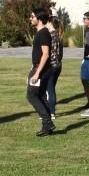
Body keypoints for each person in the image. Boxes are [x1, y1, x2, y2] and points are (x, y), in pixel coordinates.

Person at [27, 8, 55, 136]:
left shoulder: (43, 33)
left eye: (33, 17)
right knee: (41, 96)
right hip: (40, 68)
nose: (30, 19)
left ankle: (47, 122)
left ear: (39, 19)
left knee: (31, 96)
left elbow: (46, 54)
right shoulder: (41, 32)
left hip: (41, 69)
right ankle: (47, 126)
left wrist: (37, 72)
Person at [43, 14, 65, 120]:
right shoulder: (59, 35)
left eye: (47, 22)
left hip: (51, 66)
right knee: (50, 89)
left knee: (50, 89)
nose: (45, 24)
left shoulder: (50, 35)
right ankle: (50, 111)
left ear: (50, 23)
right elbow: (61, 54)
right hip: (58, 66)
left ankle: (51, 113)